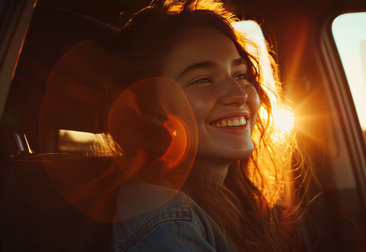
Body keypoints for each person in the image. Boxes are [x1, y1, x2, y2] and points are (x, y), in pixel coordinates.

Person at [103, 0, 312, 251]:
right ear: (150, 108)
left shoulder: (236, 198)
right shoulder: (165, 216)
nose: (239, 94)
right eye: (203, 80)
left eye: (240, 75)